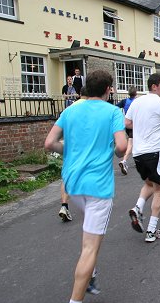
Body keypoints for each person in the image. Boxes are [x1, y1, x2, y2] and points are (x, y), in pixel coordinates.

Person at [45, 70, 127, 302]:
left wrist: (69, 150)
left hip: (72, 185)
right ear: (107, 89)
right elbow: (121, 147)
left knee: (88, 234)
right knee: (90, 248)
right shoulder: (112, 112)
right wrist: (117, 146)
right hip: (98, 187)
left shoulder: (69, 110)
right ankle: (76, 298)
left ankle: (90, 270)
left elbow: (49, 143)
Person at [125, 74, 160, 242]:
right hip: (156, 152)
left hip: (138, 154)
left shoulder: (137, 102)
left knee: (149, 183)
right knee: (159, 190)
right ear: (154, 86)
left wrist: (143, 125)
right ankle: (151, 231)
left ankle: (137, 207)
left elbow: (127, 123)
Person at [58, 86, 89, 222]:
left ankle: (64, 205)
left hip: (69, 146)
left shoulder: (68, 110)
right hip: (84, 147)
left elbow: (58, 131)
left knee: (67, 176)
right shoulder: (90, 108)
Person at [116, 86, 138, 175]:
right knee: (131, 143)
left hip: (126, 124)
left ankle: (136, 160)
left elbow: (115, 107)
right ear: (136, 93)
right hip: (134, 125)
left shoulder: (124, 101)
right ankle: (124, 161)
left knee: (134, 142)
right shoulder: (137, 102)